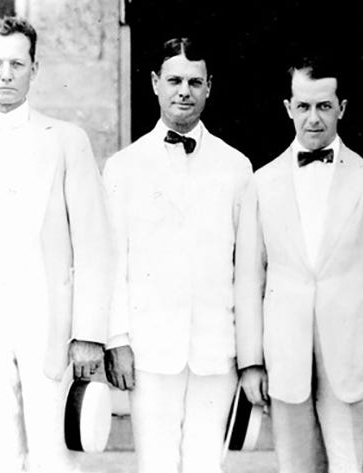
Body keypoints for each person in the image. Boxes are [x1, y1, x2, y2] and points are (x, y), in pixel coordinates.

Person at [0, 16, 113, 472]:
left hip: (48, 327)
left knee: (54, 459)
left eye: (17, 63)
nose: (5, 74)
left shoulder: (67, 141)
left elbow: (94, 245)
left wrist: (90, 334)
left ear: (34, 69)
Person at [234, 55, 363, 473]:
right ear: (288, 108)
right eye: (304, 106)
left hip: (354, 360)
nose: (314, 118)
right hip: (286, 358)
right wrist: (250, 362)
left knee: (354, 465)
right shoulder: (261, 183)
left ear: (341, 108)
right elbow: (248, 279)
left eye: (324, 106)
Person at [103, 37, 252, 473]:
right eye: (174, 80)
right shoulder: (124, 167)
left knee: (208, 462)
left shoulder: (236, 166)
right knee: (157, 463)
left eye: (194, 81)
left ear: (209, 87)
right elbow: (113, 262)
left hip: (216, 346)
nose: (183, 91)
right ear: (154, 84)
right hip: (151, 349)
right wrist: (117, 340)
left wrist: (247, 349)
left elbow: (246, 268)